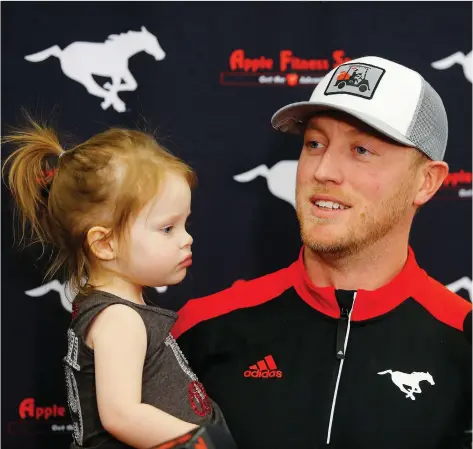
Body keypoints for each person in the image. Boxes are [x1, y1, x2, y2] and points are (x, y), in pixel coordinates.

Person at [171, 56, 472, 449]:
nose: (323, 170)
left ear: (426, 182)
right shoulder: (201, 328)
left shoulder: (463, 343)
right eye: (314, 143)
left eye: (361, 149)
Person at [2, 122, 227, 449]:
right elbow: (121, 415)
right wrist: (201, 442)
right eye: (167, 228)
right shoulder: (119, 320)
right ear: (104, 244)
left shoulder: (116, 311)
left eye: (184, 224)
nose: (187, 239)